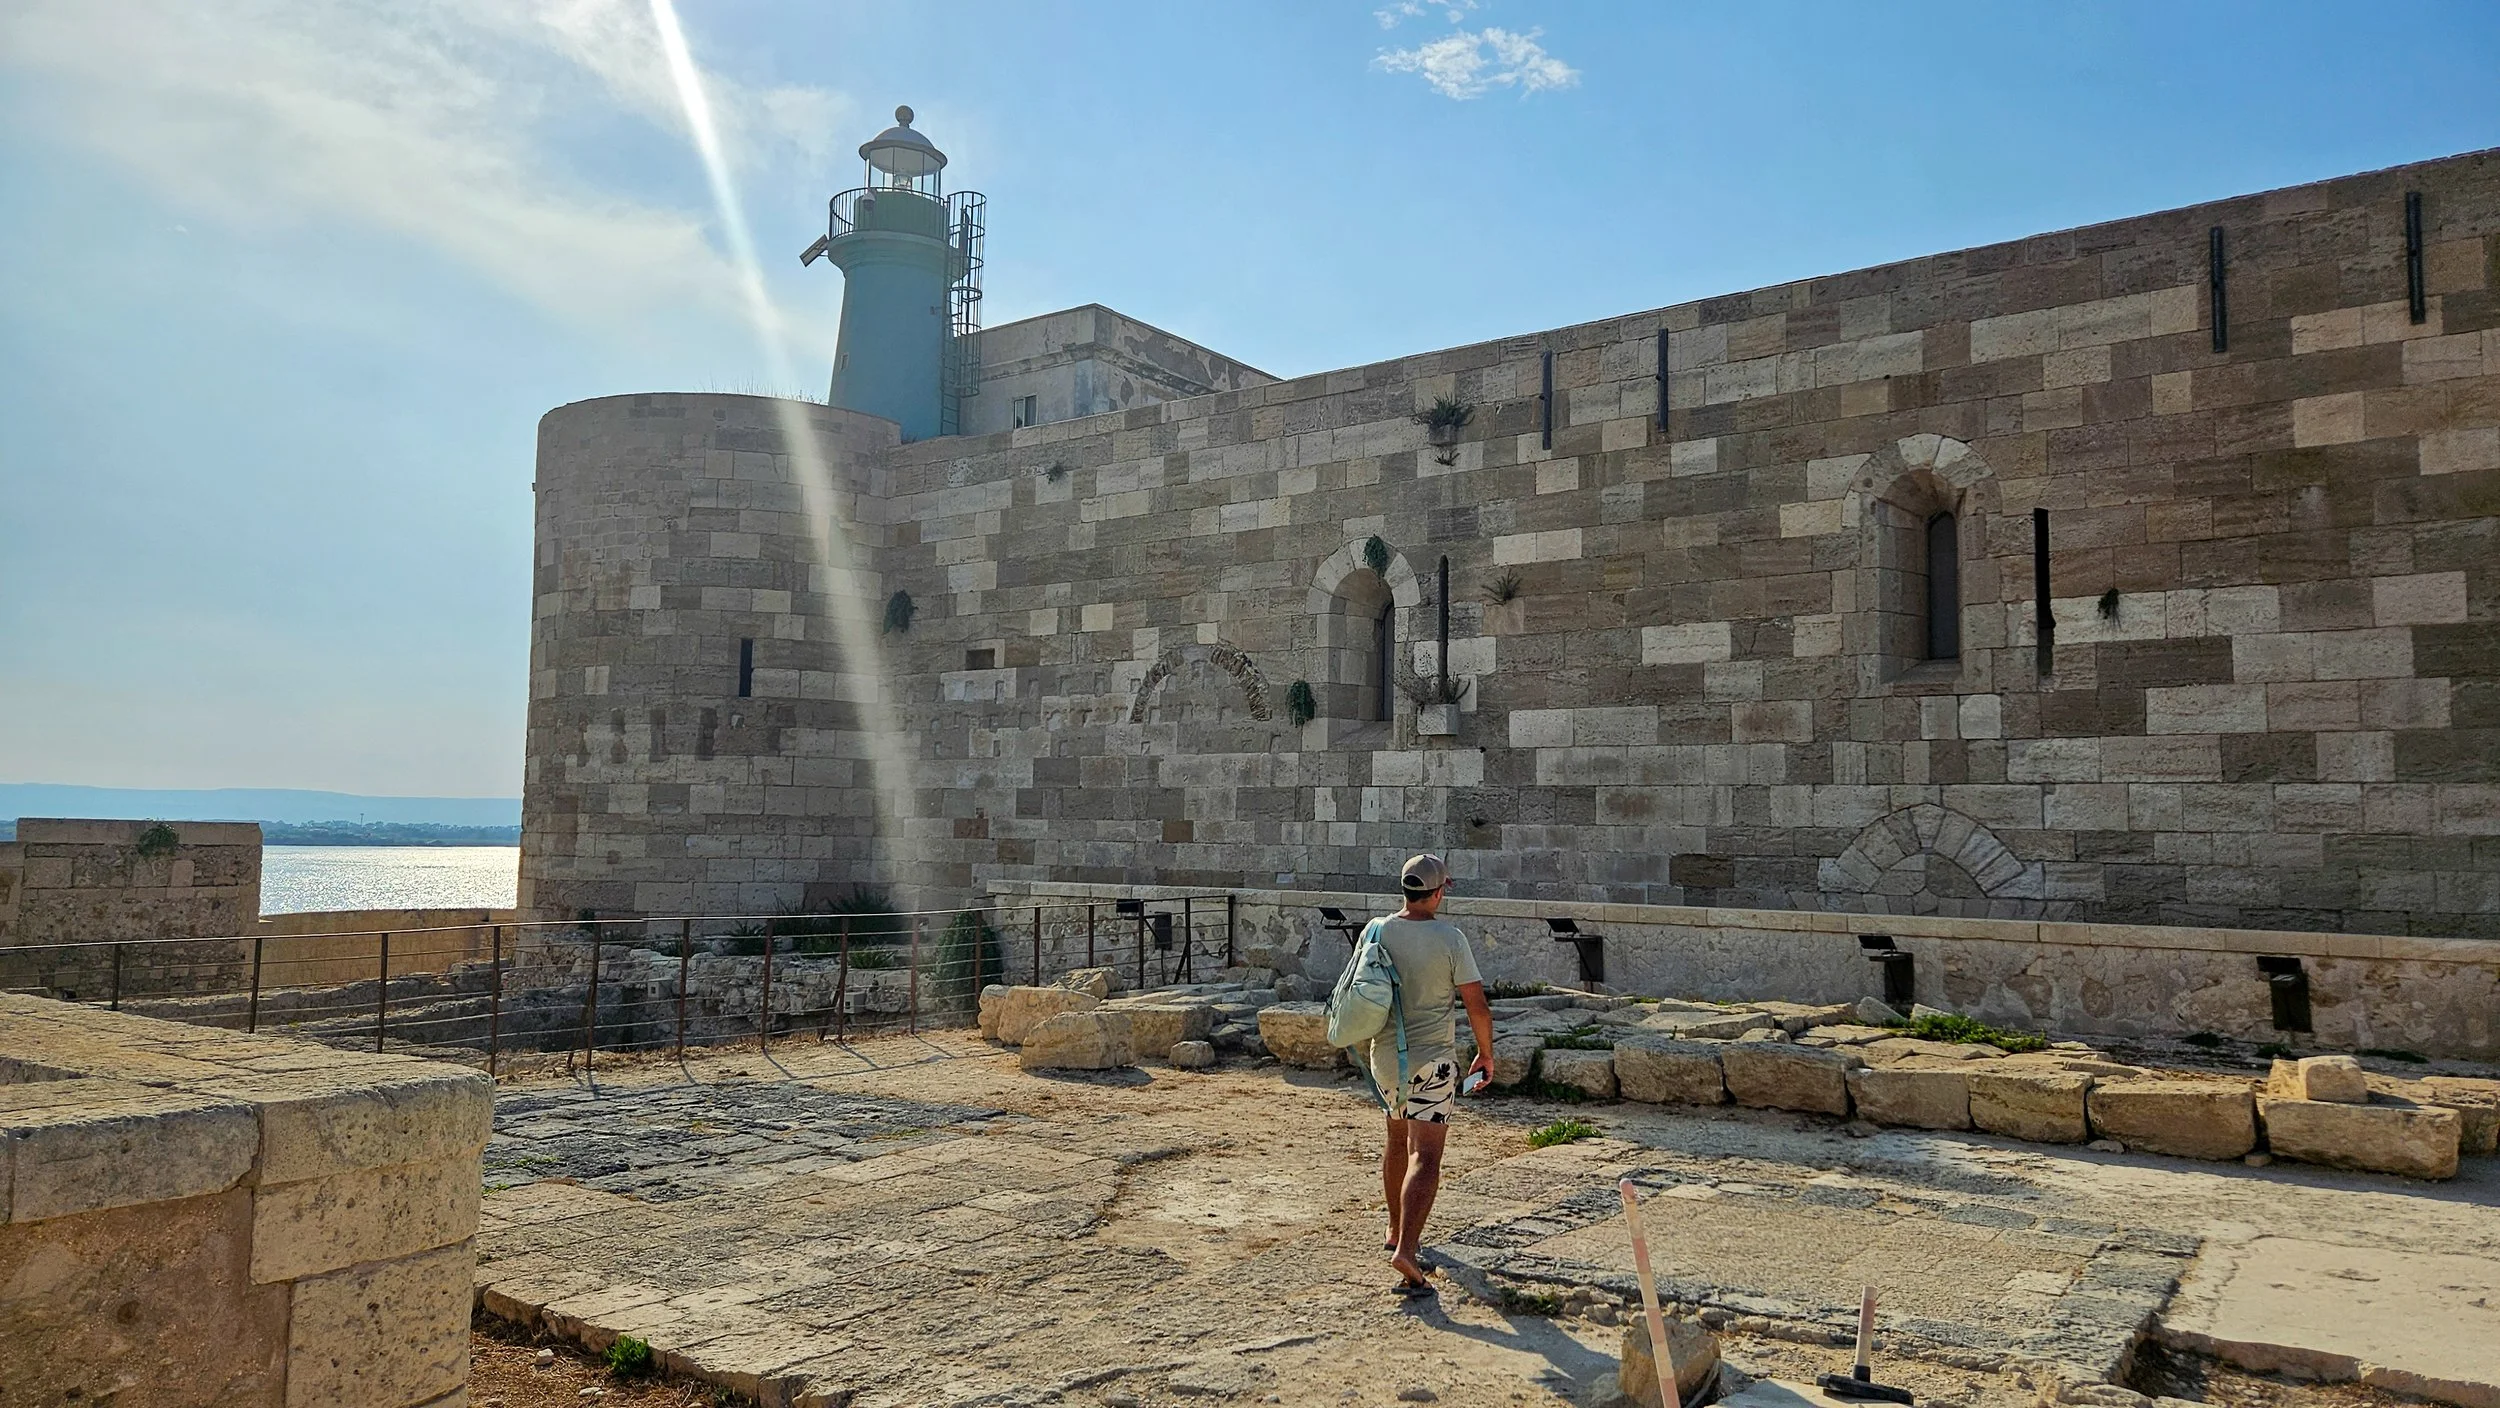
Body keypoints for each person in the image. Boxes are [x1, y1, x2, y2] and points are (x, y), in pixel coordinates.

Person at [1366, 852, 1495, 1296]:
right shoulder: (1450, 939)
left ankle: (1393, 1228)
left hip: (1386, 1060)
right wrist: (1485, 1053)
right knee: (1426, 1155)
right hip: (1433, 1062)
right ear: (1438, 893)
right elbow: (1477, 1005)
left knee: (1395, 1139)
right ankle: (1407, 1250)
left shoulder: (1377, 930)